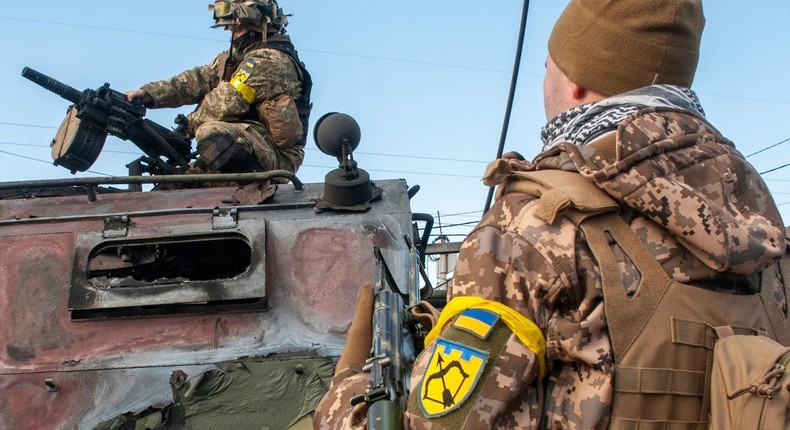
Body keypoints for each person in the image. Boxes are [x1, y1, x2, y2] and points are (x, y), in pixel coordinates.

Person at [314, 0, 788, 428]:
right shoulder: (767, 237)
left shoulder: (532, 226)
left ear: (578, 82)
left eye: (547, 67)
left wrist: (350, 387)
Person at [126, 0, 311, 177]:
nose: (232, 34)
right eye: (230, 28)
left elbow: (227, 101)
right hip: (241, 142)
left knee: (208, 131)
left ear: (258, 25)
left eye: (237, 28)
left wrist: (185, 130)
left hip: (275, 155)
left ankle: (251, 184)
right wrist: (148, 94)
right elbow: (196, 80)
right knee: (178, 184)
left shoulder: (270, 61)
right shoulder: (235, 58)